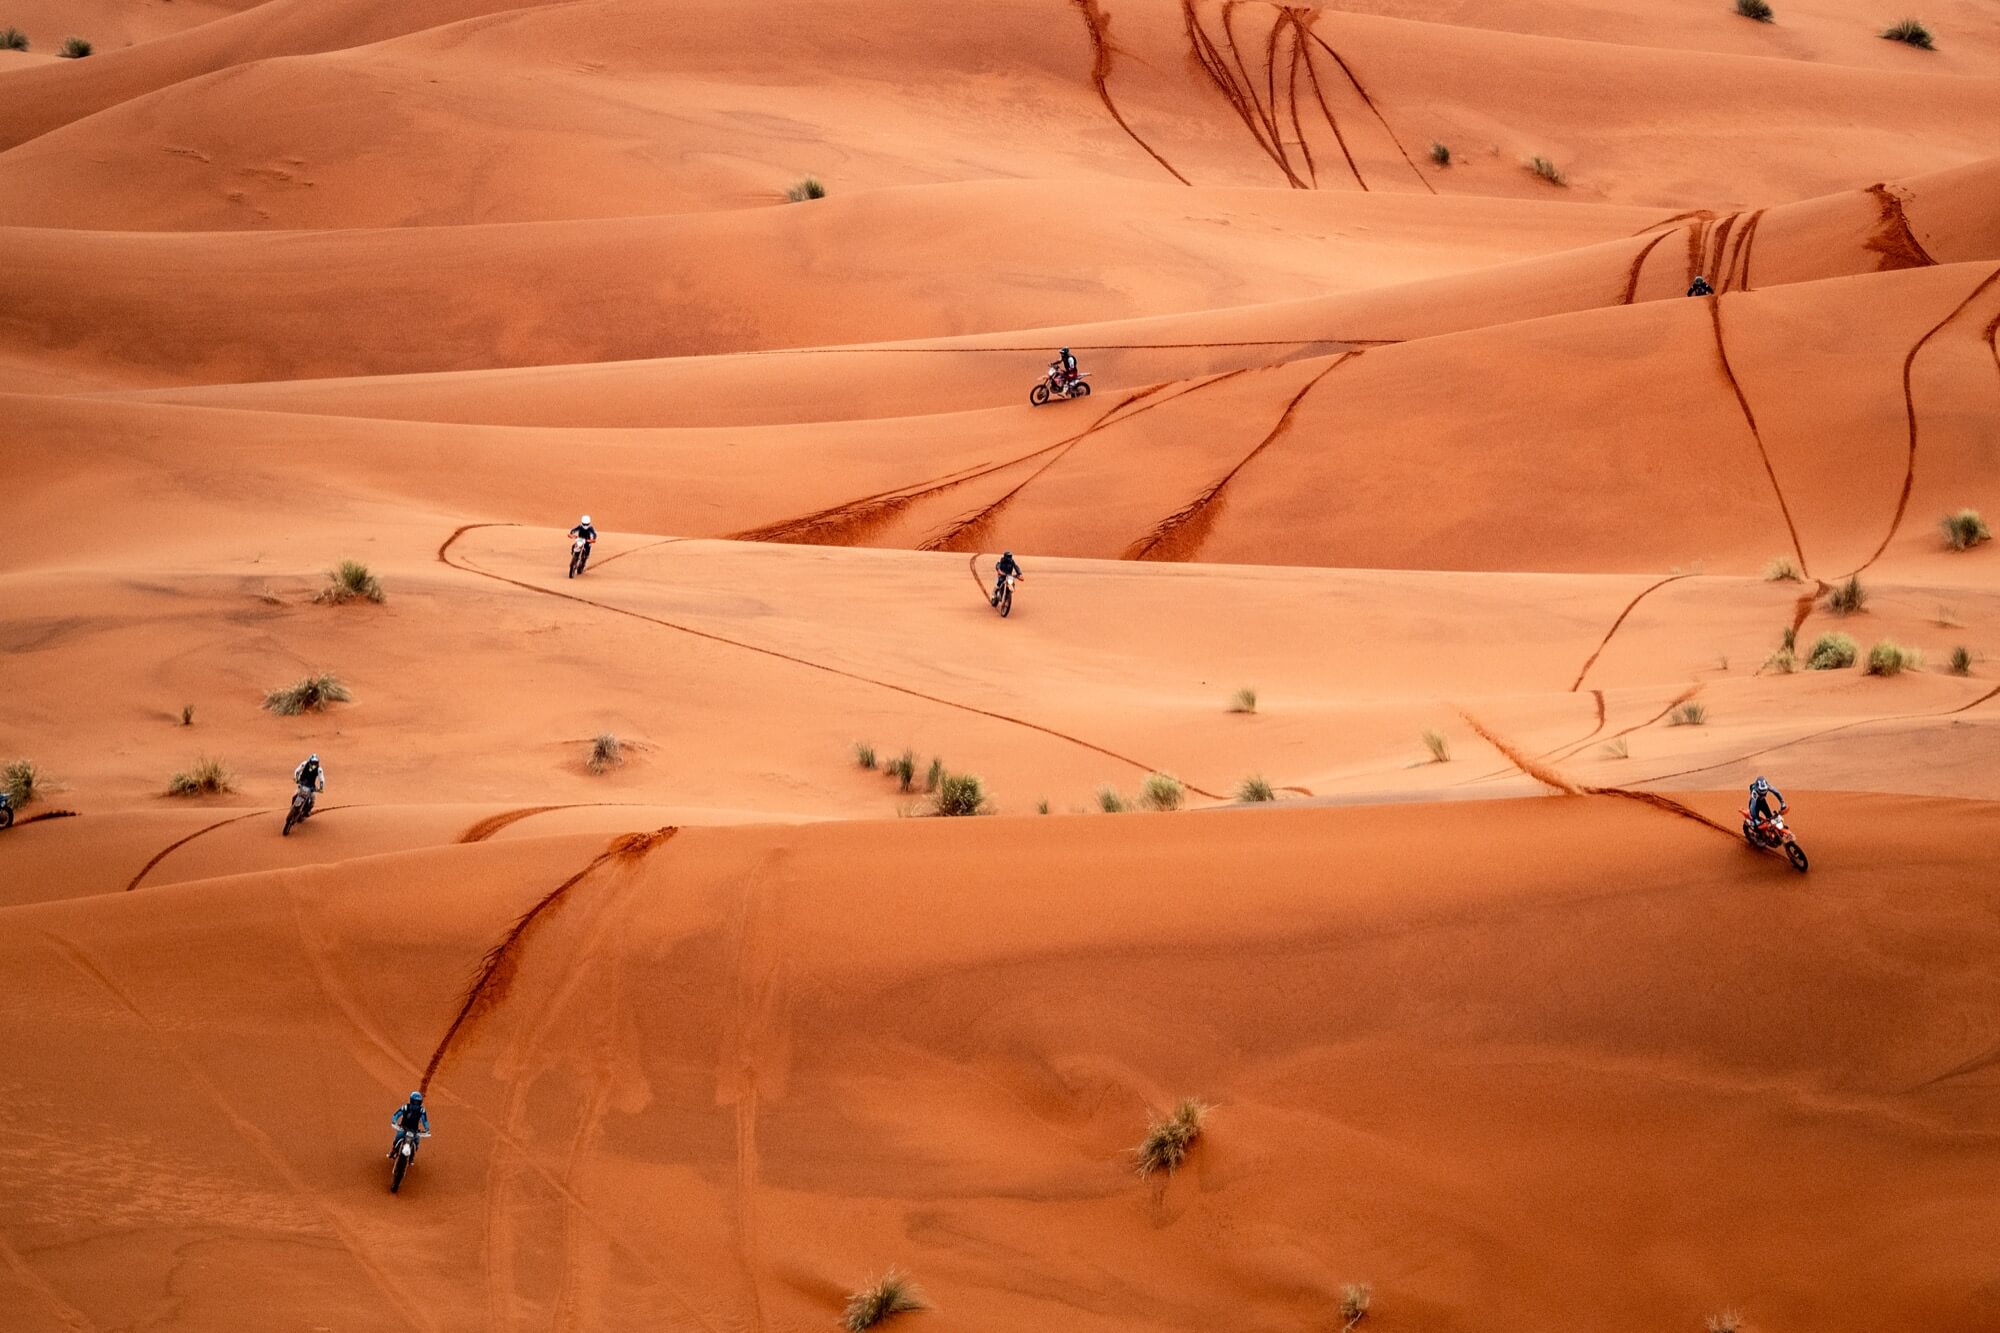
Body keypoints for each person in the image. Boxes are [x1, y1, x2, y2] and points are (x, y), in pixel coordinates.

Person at [292, 753, 325, 820]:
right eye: (313, 762)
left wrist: (321, 788)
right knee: (295, 795)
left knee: (312, 800)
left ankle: (306, 811)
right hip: (302, 783)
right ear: (310, 761)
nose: (314, 764)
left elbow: (322, 779)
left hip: (311, 786)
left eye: (315, 763)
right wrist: (296, 778)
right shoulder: (304, 764)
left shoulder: (319, 769)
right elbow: (297, 771)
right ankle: (292, 807)